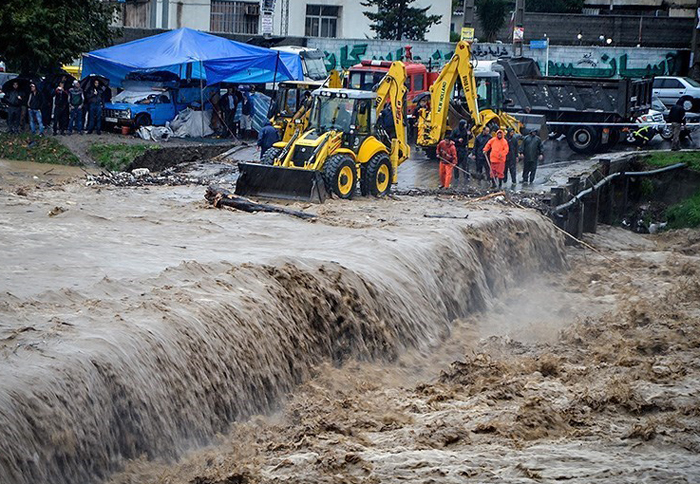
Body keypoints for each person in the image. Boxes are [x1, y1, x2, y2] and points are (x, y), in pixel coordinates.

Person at [450, 119, 471, 183]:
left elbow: (469, 138)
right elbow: (451, 137)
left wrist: (469, 134)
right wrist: (457, 140)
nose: (465, 126)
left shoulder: (466, 130)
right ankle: (456, 177)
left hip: (464, 149)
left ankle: (466, 177)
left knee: (465, 163)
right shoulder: (455, 130)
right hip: (457, 148)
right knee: (456, 163)